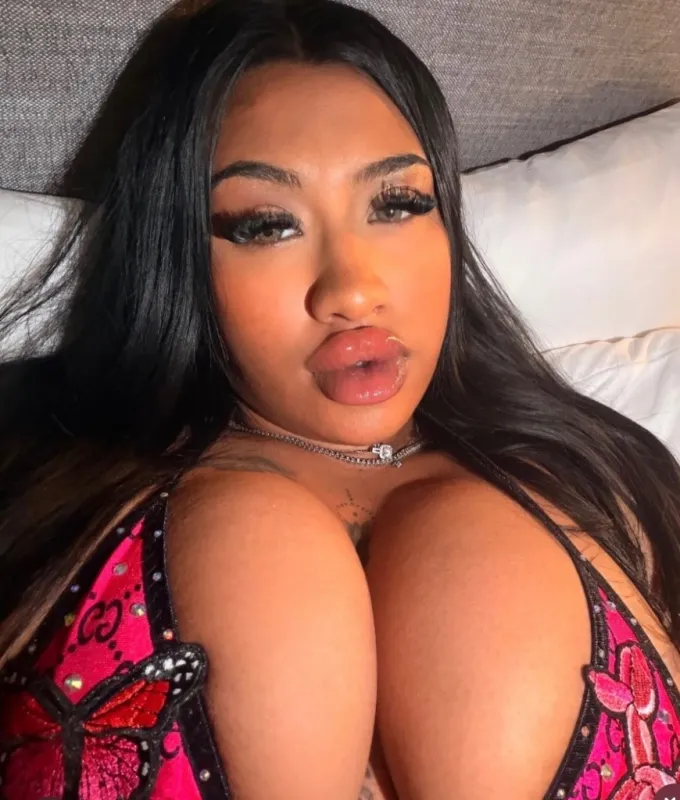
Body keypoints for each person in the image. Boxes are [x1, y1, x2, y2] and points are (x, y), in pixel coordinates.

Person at [1, 0, 680, 798]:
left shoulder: (604, 472)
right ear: (177, 254)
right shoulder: (42, 475)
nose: (353, 291)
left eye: (398, 204)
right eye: (265, 225)